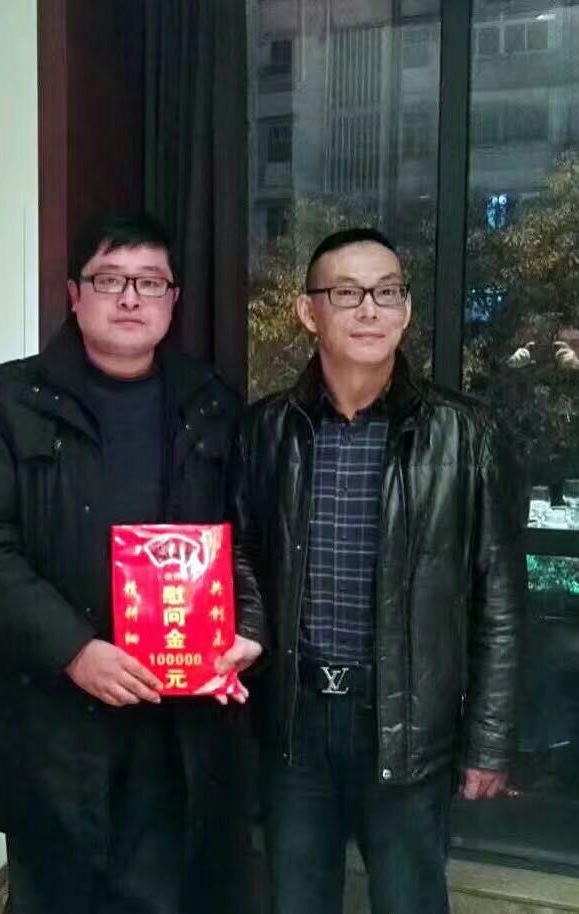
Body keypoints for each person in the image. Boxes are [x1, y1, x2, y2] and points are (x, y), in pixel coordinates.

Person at [0, 212, 248, 914]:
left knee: (163, 896)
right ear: (75, 295)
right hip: (50, 717)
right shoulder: (10, 399)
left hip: (173, 722)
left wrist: (242, 630)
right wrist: (75, 649)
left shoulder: (211, 403)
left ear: (173, 298)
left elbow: (248, 539)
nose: (130, 298)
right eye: (110, 280)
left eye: (149, 281)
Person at [220, 227, 526, 914]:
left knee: (410, 900)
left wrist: (489, 740)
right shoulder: (265, 431)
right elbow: (243, 555)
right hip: (296, 722)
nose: (369, 310)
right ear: (308, 312)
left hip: (406, 722)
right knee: (297, 899)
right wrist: (249, 632)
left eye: (387, 293)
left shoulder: (466, 433)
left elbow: (500, 601)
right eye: (347, 293)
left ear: (406, 310)